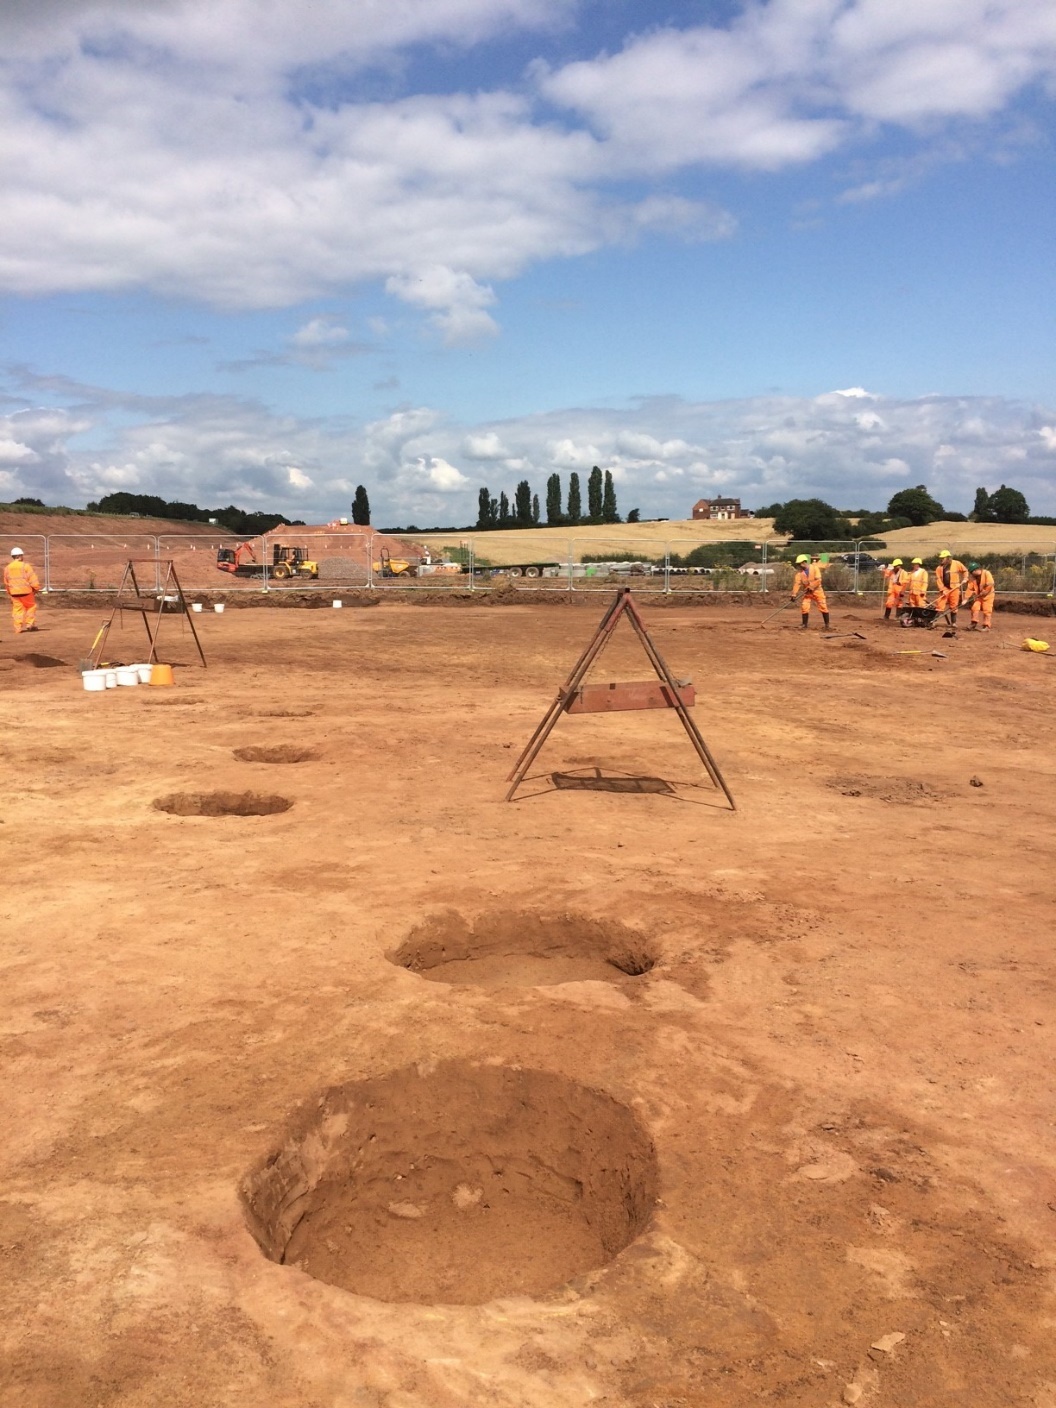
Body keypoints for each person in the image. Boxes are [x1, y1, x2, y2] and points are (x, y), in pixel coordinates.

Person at [4, 546, 41, 634]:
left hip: (14, 594)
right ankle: (30, 625)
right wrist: (36, 588)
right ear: (20, 556)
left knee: (17, 610)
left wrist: (9, 592)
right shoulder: (25, 566)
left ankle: (18, 628)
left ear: (13, 556)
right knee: (31, 607)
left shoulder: (7, 568)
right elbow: (33, 579)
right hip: (26, 592)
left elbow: (6, 582)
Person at [790, 552, 830, 630]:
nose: (798, 566)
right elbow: (797, 584)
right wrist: (794, 594)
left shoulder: (815, 568)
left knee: (823, 607)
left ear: (804, 562)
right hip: (808, 593)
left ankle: (827, 625)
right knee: (805, 607)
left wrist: (811, 586)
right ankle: (804, 624)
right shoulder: (799, 574)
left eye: (799, 564)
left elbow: (818, 580)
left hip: (817, 591)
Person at [934, 549, 969, 625]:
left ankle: (953, 623)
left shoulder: (956, 563)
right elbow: (938, 580)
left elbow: (965, 570)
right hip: (945, 589)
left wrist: (965, 578)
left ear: (948, 558)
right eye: (941, 558)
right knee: (940, 605)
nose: (941, 559)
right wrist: (942, 589)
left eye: (943, 558)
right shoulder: (939, 568)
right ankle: (933, 622)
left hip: (955, 588)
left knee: (954, 606)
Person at [963, 562, 996, 630]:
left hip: (988, 596)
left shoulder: (986, 573)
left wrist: (985, 592)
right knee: (974, 608)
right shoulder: (972, 577)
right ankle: (973, 623)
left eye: (972, 572)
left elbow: (990, 584)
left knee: (987, 610)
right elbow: (969, 588)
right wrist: (966, 599)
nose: (971, 574)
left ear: (975, 570)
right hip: (978, 596)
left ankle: (986, 625)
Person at [904, 557, 929, 626]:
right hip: (912, 593)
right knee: (913, 607)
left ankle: (922, 621)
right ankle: (914, 621)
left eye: (915, 564)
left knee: (920, 607)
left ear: (918, 564)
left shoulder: (923, 572)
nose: (914, 565)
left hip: (919, 594)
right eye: (913, 564)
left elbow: (925, 582)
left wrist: (923, 591)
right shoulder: (912, 573)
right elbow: (906, 580)